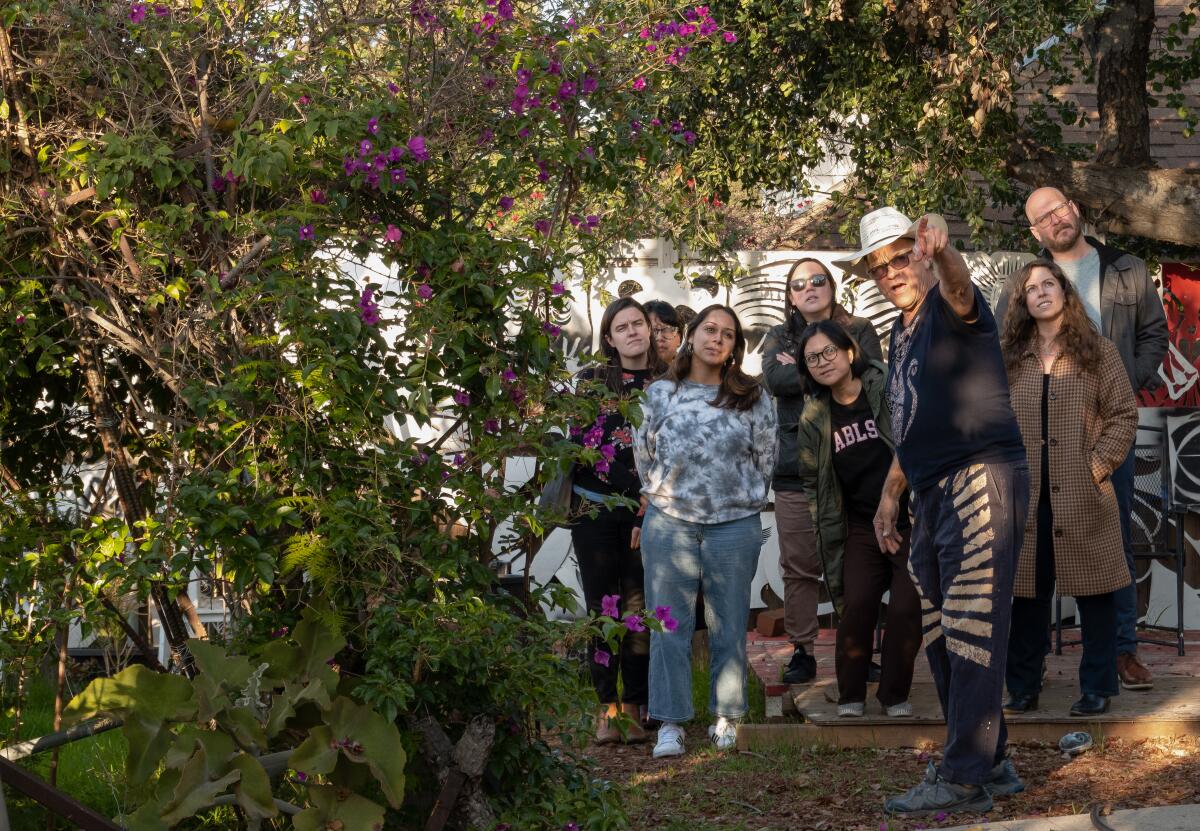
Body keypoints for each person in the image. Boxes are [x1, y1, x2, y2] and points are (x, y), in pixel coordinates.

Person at [834, 208, 1029, 817]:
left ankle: (964, 775)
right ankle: (989, 761)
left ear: (919, 251)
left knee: (972, 627)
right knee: (946, 631)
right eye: (880, 265)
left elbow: (961, 284)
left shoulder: (949, 304)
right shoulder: (901, 329)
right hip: (931, 488)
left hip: (979, 477)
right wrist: (893, 492)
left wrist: (941, 242)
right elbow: (914, 423)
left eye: (901, 255)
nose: (892, 271)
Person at [995, 187, 1168, 692]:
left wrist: (1120, 378)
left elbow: (1154, 333)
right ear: (1034, 232)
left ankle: (1121, 652)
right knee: (1031, 558)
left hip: (1099, 437)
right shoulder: (1023, 280)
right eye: (1042, 218)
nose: (1055, 220)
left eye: (1059, 209)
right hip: (1036, 450)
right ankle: (1029, 671)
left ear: (1074, 208)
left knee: (1108, 550)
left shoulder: (1125, 269)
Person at [634, 304, 778, 758]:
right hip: (670, 522)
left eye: (729, 334)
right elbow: (644, 455)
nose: (717, 339)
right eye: (710, 330)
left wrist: (739, 498)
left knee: (729, 623)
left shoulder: (753, 396)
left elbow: (767, 456)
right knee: (667, 627)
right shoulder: (658, 393)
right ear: (690, 335)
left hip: (733, 524)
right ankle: (671, 723)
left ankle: (726, 716)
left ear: (735, 347)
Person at [999, 260, 1136, 717]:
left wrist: (1098, 465)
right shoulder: (1010, 356)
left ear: (1064, 291)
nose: (1040, 292)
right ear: (1022, 302)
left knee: (1096, 595)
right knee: (1026, 598)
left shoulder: (1099, 351)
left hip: (1083, 494)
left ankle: (1098, 685)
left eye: (1048, 283)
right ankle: (1022, 685)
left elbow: (1123, 416)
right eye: (1030, 288)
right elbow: (994, 419)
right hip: (1024, 496)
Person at [762, 259, 883, 684]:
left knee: (853, 563)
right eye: (799, 284)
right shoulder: (778, 335)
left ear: (831, 286)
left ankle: (857, 650)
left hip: (855, 465)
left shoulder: (861, 327)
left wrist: (798, 364)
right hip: (797, 468)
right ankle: (803, 650)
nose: (809, 288)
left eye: (817, 280)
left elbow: (867, 371)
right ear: (791, 296)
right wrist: (822, 367)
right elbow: (773, 380)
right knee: (799, 566)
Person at [795, 320, 920, 717]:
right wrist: (830, 532)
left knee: (905, 607)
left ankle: (894, 695)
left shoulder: (884, 388)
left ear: (849, 352)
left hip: (909, 520)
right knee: (857, 605)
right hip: (861, 526)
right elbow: (814, 482)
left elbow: (915, 440)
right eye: (812, 357)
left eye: (829, 351)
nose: (823, 361)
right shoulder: (814, 417)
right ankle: (850, 695)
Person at [571, 298, 666, 745]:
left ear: (649, 329)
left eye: (638, 324)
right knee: (600, 608)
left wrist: (653, 499)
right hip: (594, 512)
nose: (632, 332)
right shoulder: (591, 381)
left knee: (638, 611)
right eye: (621, 327)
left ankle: (635, 704)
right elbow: (576, 447)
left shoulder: (669, 382)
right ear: (608, 339)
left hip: (650, 512)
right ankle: (606, 706)